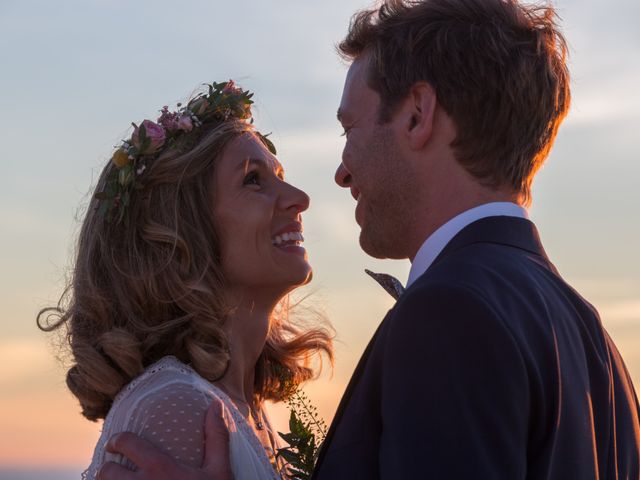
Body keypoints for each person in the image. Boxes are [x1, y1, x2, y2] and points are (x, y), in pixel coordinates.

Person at [99, 0, 640, 478]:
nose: (338, 173)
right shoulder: (597, 344)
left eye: (349, 129)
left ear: (416, 117)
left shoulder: (450, 314)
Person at [37, 80, 333, 480]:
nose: (299, 197)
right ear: (182, 233)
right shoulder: (176, 406)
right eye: (253, 180)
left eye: (279, 175)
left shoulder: (240, 407)